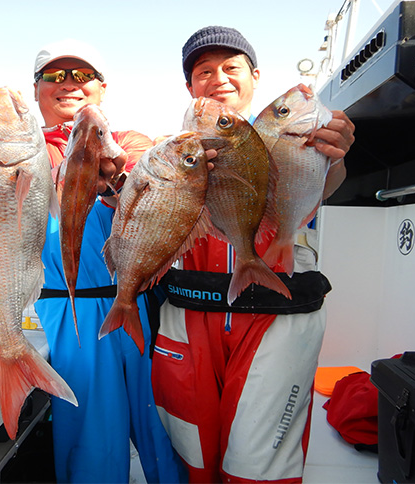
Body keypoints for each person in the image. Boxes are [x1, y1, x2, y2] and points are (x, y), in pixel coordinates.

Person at [150, 26, 356, 483]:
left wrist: (334, 156)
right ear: (190, 86)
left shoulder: (288, 136)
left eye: (231, 67)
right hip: (190, 315)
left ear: (254, 76)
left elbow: (321, 185)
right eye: (204, 71)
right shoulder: (169, 151)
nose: (218, 78)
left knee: (257, 465)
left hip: (275, 314)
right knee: (192, 454)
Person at [30, 39, 187, 483]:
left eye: (82, 75)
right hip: (67, 311)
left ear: (102, 87)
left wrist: (116, 181)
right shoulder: (23, 155)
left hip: (136, 302)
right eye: (55, 75)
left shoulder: (131, 143)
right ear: (36, 88)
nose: (69, 84)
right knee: (91, 442)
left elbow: (152, 188)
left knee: (163, 429)